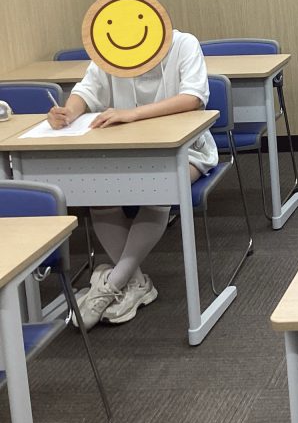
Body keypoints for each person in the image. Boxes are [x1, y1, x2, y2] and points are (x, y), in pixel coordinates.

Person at [46, 30, 217, 330]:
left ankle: (109, 285)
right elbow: (86, 90)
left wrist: (133, 114)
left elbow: (193, 97)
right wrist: (68, 113)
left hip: (185, 149)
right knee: (98, 195)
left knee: (158, 189)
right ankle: (134, 283)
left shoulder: (183, 44)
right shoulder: (111, 50)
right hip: (124, 150)